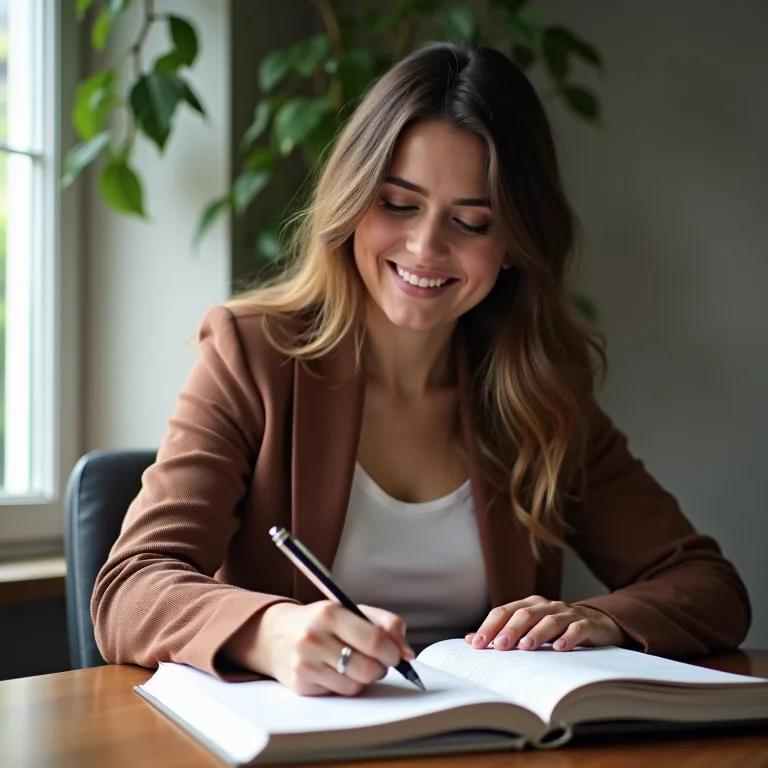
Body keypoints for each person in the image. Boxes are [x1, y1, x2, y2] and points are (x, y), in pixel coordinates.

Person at [91, 42, 750, 697]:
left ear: (516, 245)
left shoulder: (538, 394)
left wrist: (600, 619)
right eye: (399, 205)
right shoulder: (252, 354)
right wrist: (273, 631)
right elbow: (130, 587)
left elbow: (710, 587)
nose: (426, 248)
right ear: (352, 203)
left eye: (471, 221)